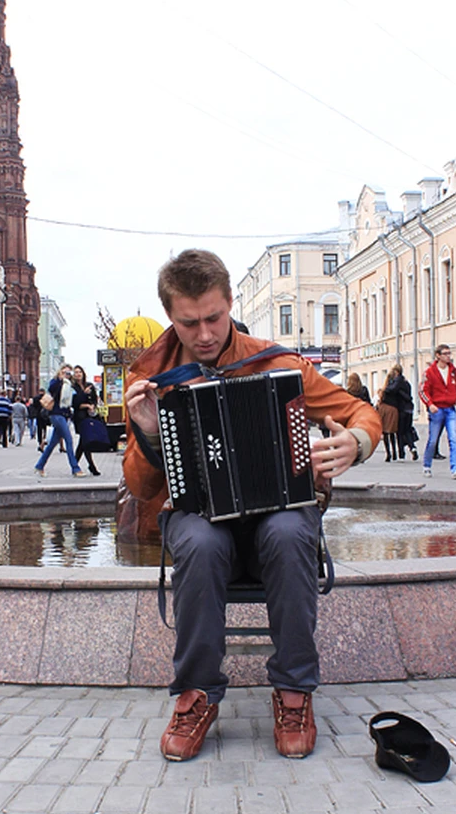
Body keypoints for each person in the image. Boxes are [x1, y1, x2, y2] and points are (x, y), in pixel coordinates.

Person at [124, 249, 382, 762]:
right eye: (188, 322)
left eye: (213, 318)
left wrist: (357, 441)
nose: (203, 334)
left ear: (230, 303)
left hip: (278, 511)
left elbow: (359, 411)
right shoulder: (151, 376)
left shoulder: (276, 361)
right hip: (198, 515)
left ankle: (293, 691)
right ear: (170, 316)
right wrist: (150, 433)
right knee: (198, 540)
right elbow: (140, 486)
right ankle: (196, 694)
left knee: (288, 534)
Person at [419, 344, 456, 479]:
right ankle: (427, 465)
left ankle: (455, 469)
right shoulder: (430, 372)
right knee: (433, 440)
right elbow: (423, 390)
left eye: (449, 354)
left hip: (450, 409)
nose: (448, 356)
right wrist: (430, 404)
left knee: (454, 438)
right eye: (445, 354)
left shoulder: (454, 372)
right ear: (438, 355)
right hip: (436, 409)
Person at [34, 364, 87, 478]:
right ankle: (75, 468)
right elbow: (52, 389)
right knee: (68, 439)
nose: (67, 375)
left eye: (69, 373)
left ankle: (39, 466)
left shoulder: (69, 385)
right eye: (64, 372)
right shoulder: (56, 382)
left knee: (52, 443)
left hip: (64, 415)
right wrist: (60, 380)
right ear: (59, 372)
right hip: (56, 415)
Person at [382, 365, 418, 461]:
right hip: (409, 409)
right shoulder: (407, 382)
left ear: (396, 372)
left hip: (402, 409)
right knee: (408, 430)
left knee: (400, 432)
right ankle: (412, 447)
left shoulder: (398, 381)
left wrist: (384, 390)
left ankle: (401, 454)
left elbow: (391, 390)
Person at [72, 364, 102, 476]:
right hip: (79, 417)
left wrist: (92, 405)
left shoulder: (89, 385)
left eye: (79, 372)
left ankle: (75, 464)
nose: (78, 374)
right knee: (84, 441)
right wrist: (84, 396)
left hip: (89, 416)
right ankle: (91, 466)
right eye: (76, 372)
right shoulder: (73, 388)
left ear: (83, 373)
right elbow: (75, 404)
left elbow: (95, 399)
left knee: (83, 442)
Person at [376, 372, 399, 462]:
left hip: (384, 410)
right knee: (392, 432)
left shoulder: (385, 389)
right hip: (393, 410)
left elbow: (380, 399)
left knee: (385, 432)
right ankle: (394, 453)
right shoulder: (396, 388)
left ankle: (388, 453)